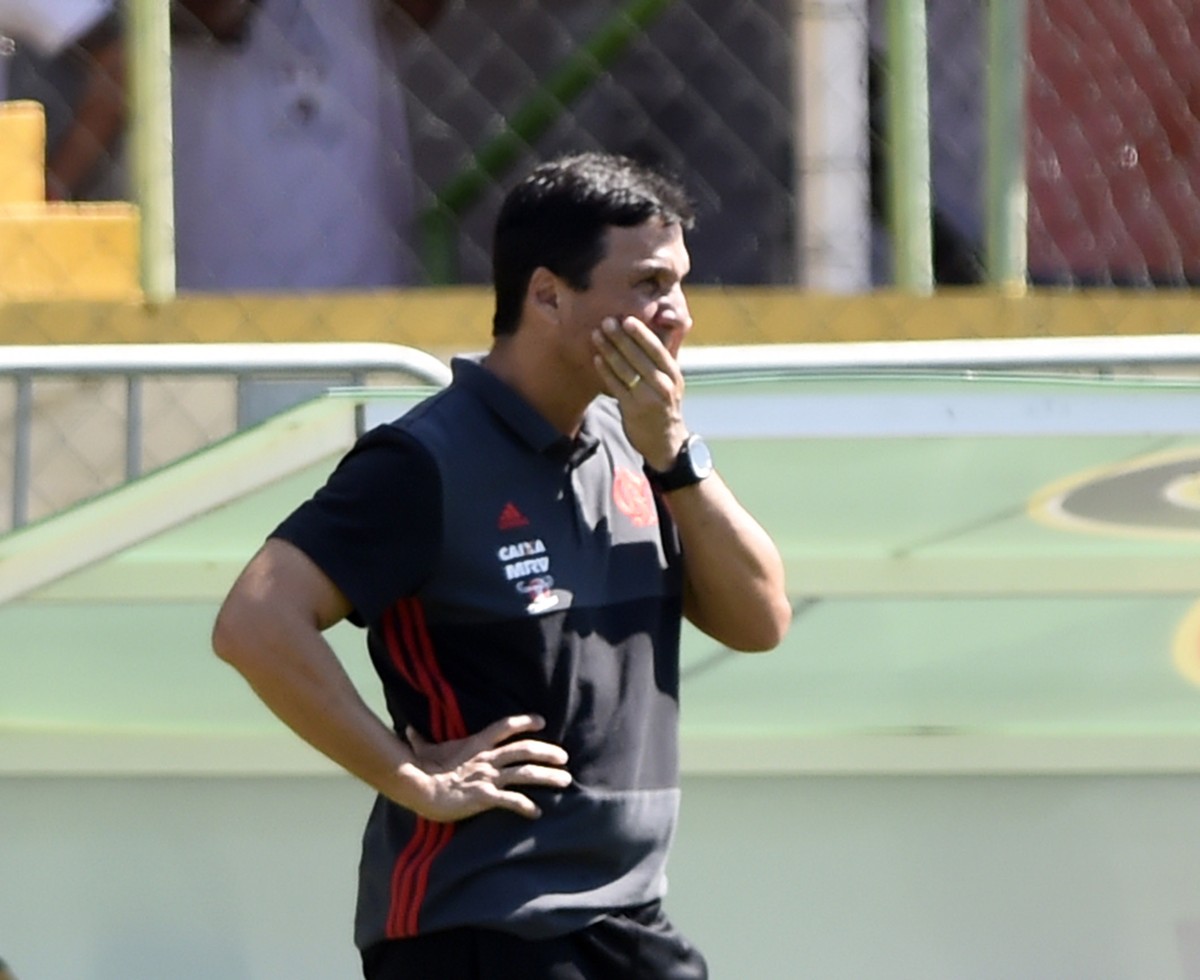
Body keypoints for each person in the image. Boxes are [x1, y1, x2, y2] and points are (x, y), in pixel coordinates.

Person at [211, 151, 792, 979]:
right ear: (548, 293)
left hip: (628, 916)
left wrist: (673, 457)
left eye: (679, 285)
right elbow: (255, 621)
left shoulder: (639, 451)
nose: (679, 316)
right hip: (481, 926)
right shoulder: (425, 460)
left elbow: (760, 620)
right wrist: (409, 774)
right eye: (650, 285)